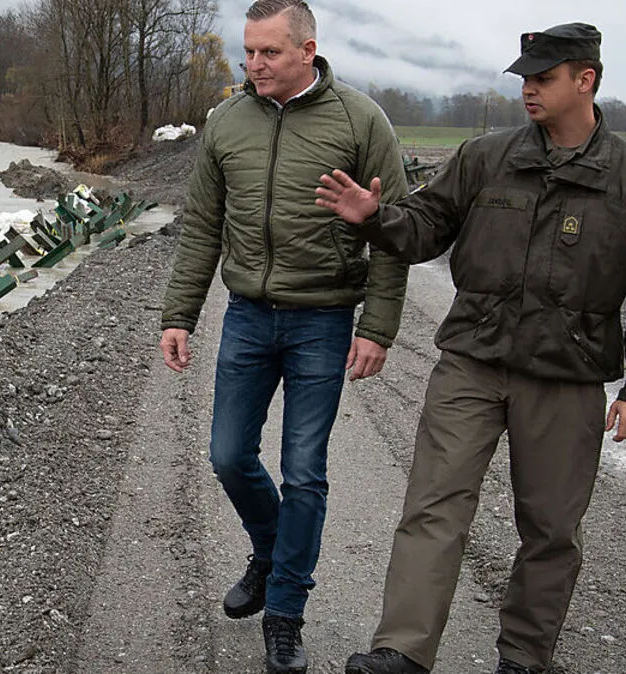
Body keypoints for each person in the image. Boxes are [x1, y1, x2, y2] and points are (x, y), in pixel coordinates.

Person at [314, 22, 626, 674]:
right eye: (524, 78)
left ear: (586, 79)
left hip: (567, 374)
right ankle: (402, 651)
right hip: (473, 360)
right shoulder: (487, 157)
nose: (528, 90)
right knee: (433, 506)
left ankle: (524, 658)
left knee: (551, 530)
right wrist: (376, 217)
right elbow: (427, 226)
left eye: (543, 78)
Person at [159, 0, 410, 671]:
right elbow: (202, 227)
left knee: (303, 471)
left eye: (269, 51)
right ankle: (272, 552)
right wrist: (179, 315)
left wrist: (378, 328)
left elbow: (394, 233)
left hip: (322, 321)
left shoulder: (360, 121)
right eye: (248, 51)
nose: (254, 64)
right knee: (227, 456)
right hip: (247, 314)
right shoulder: (227, 122)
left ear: (307, 50)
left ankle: (286, 612)